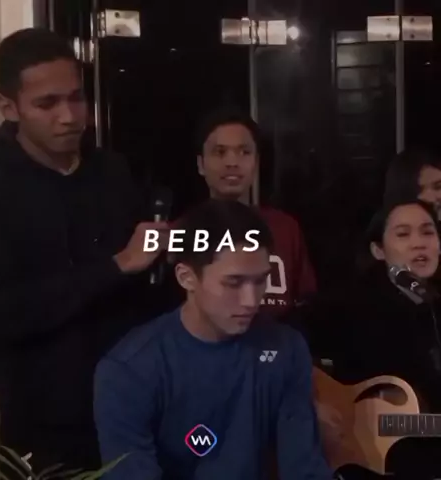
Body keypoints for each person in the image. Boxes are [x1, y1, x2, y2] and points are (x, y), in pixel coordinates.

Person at [0, 28, 168, 474]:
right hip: (43, 431)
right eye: (47, 103)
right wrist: (116, 266)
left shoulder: (111, 170)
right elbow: (2, 314)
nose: (70, 116)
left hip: (132, 410)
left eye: (77, 98)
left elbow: (145, 287)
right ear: (9, 107)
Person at [94, 199, 333, 480]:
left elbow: (304, 468)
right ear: (186, 277)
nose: (251, 300)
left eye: (260, 281)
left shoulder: (286, 349)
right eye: (234, 283)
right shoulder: (129, 370)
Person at [301, 199, 441, 479]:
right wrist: (312, 403)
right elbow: (281, 343)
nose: (418, 243)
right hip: (364, 461)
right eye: (403, 234)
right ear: (378, 250)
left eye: (427, 232)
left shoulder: (435, 307)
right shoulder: (349, 304)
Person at [195, 107, 316, 316]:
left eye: (244, 152)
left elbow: (305, 303)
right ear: (201, 164)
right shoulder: (182, 231)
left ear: (256, 162)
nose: (232, 162)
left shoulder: (285, 228)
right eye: (220, 152)